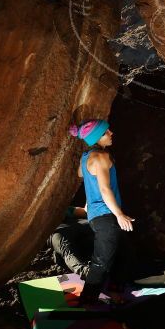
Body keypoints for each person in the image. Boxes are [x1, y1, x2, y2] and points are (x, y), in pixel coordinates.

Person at [69, 118, 134, 303]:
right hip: (106, 215)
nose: (111, 133)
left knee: (126, 253)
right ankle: (87, 301)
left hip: (99, 216)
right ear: (97, 138)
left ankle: (114, 292)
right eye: (106, 132)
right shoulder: (101, 157)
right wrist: (119, 214)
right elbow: (105, 189)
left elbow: (81, 174)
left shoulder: (86, 157)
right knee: (101, 262)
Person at [47, 205, 93, 277]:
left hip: (75, 226)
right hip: (56, 232)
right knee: (66, 248)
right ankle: (87, 273)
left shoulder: (57, 207)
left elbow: (83, 212)